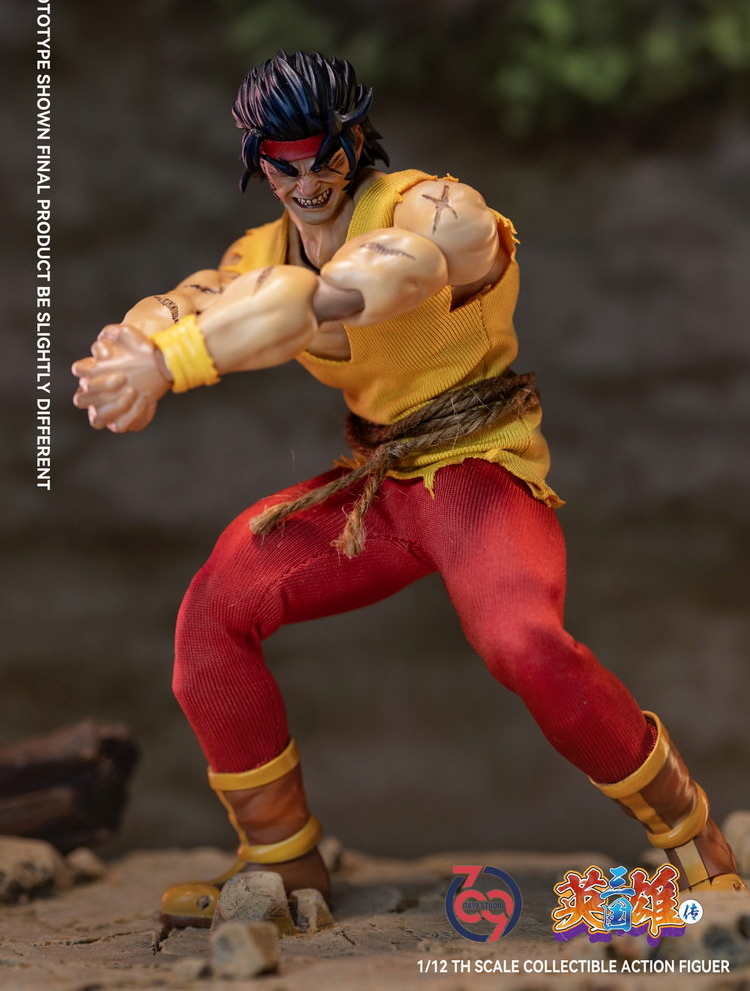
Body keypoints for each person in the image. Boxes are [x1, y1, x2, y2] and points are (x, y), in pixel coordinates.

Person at [72, 50, 745, 927]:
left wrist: (177, 361)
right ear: (257, 161)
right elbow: (188, 298)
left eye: (323, 156)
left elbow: (362, 284)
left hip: (477, 470)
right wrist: (130, 346)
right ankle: (280, 860)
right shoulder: (256, 255)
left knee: (524, 643)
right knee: (213, 610)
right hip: (377, 487)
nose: (308, 181)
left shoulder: (434, 209)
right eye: (284, 164)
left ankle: (694, 840)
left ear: (355, 142)